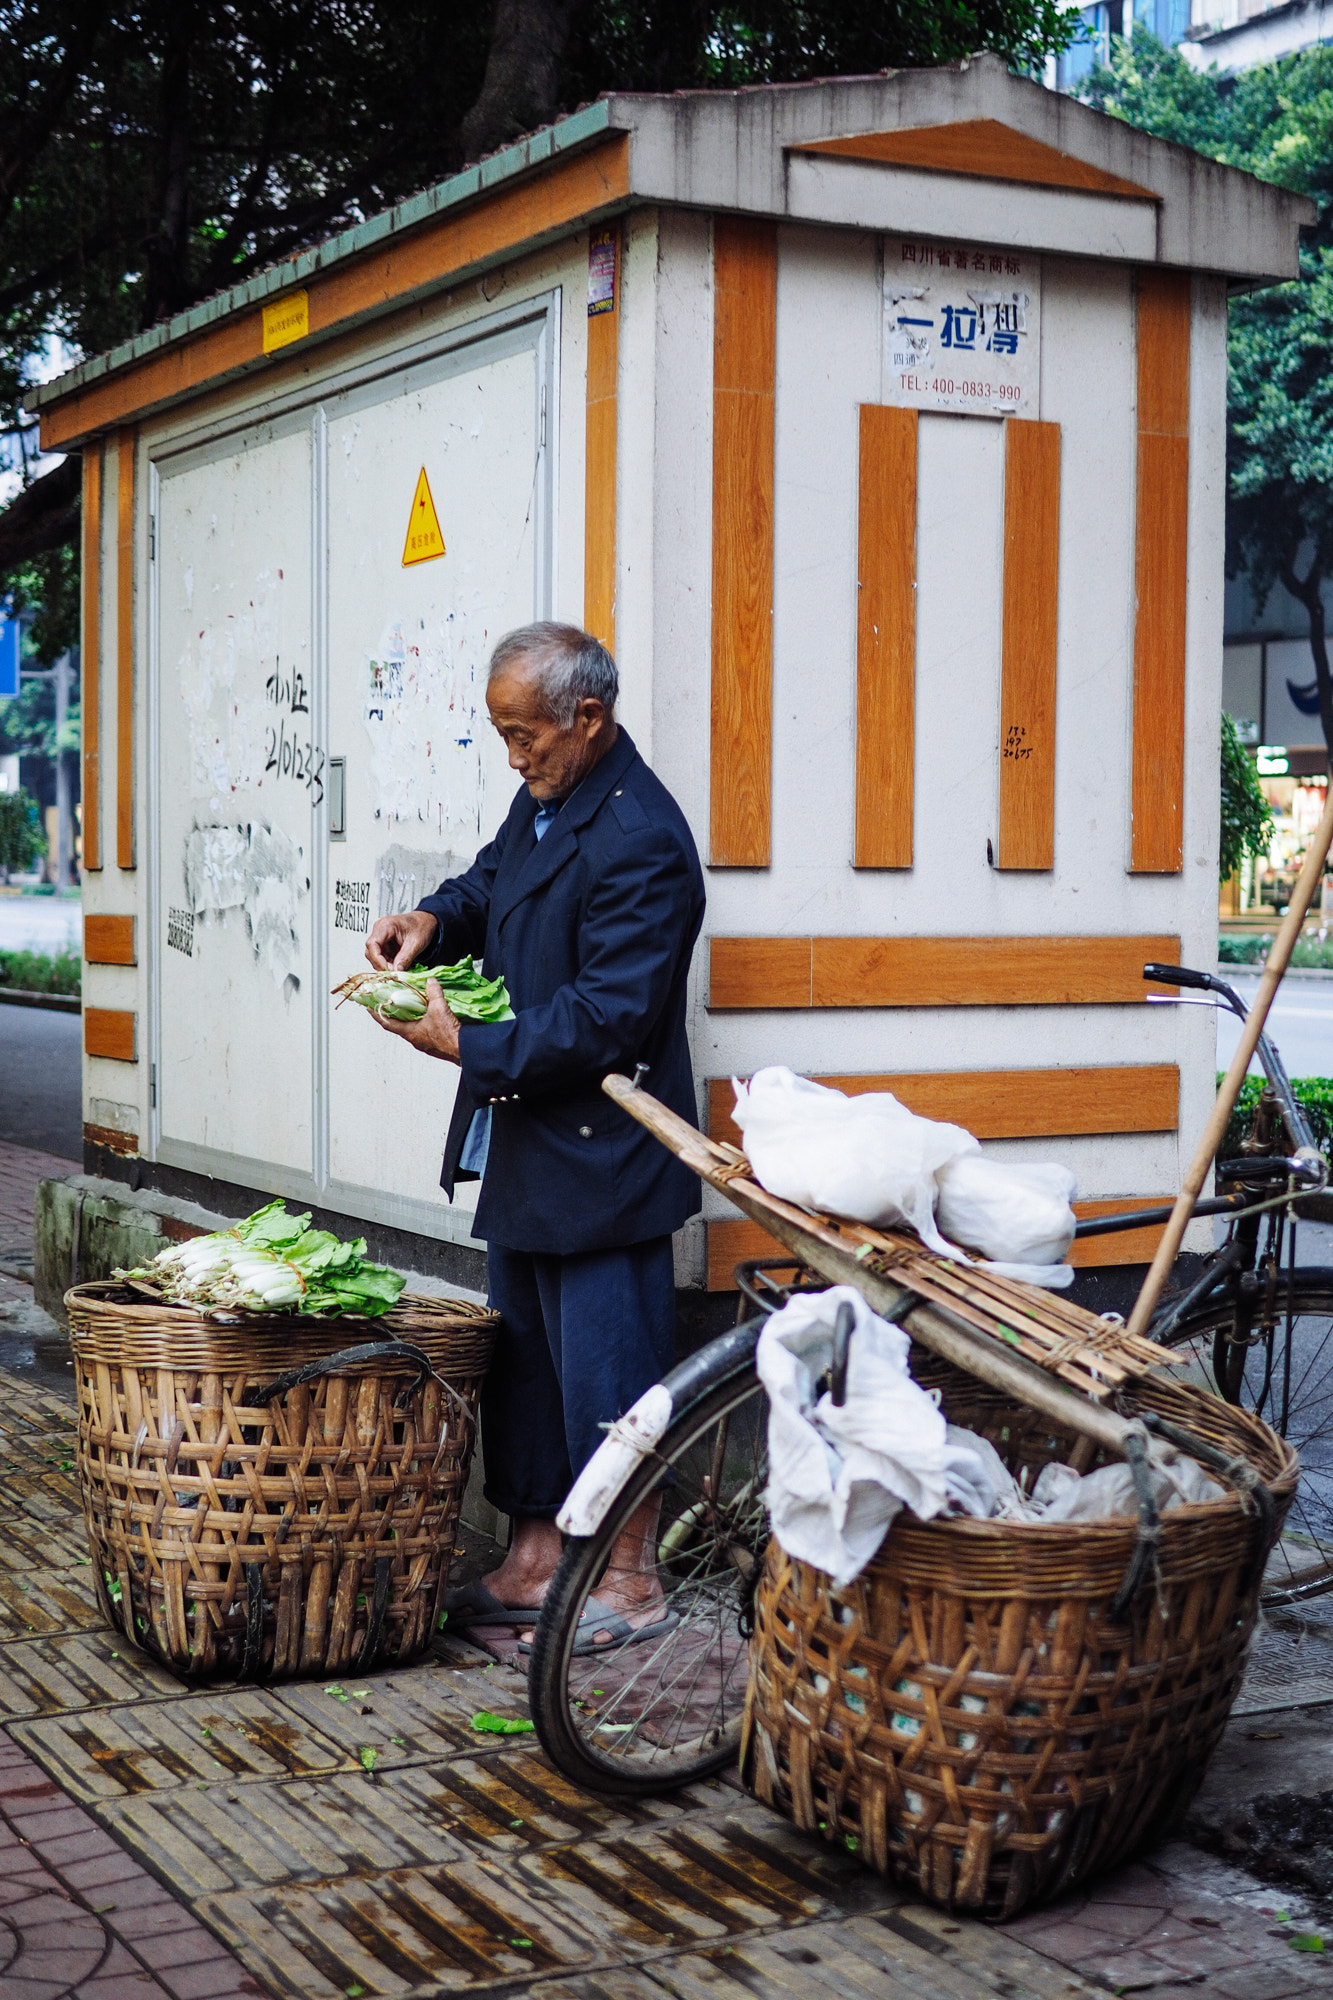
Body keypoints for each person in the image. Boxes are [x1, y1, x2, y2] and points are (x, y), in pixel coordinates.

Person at [364, 621, 705, 1650]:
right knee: (523, 1359)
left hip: (606, 1149)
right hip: (530, 1141)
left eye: (526, 736)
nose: (515, 757)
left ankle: (632, 1575)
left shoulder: (642, 835)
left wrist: (465, 1039)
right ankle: (536, 1555)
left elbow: (608, 1016)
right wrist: (430, 919)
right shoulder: (549, 798)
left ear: (587, 719)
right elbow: (488, 883)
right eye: (503, 735)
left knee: (609, 1367)